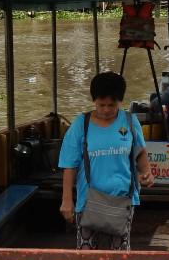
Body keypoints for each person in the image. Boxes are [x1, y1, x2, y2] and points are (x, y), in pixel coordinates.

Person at [58, 70, 152, 250]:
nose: (107, 109)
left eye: (112, 104)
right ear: (94, 100)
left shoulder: (130, 122)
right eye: (102, 104)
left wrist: (146, 172)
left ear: (120, 101)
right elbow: (69, 165)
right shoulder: (81, 124)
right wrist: (67, 200)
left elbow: (139, 152)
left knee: (120, 255)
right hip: (88, 200)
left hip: (123, 199)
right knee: (86, 254)